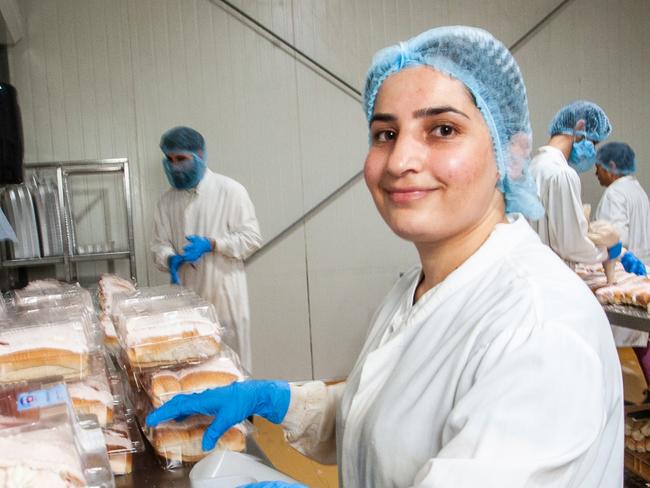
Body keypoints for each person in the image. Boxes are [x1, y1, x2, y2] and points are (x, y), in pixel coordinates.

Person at [147, 27, 623, 487]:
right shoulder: (416, 289)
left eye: (442, 129)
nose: (399, 162)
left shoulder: (541, 328)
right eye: (384, 134)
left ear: (510, 154)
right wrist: (276, 401)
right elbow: (384, 415)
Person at [151, 126, 262, 372]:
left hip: (224, 299)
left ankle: (242, 413)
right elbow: (159, 244)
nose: (174, 166)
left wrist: (213, 244)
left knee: (233, 370)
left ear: (200, 155)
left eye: (181, 159)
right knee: (194, 372)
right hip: (186, 301)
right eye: (169, 160)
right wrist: (170, 259)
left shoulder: (230, 191)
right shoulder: (166, 201)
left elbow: (252, 238)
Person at [529, 101, 645, 275]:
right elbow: (570, 245)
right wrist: (609, 250)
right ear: (579, 128)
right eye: (593, 142)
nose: (592, 151)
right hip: (555, 276)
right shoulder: (562, 174)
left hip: (538, 272)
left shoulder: (534, 166)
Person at [595, 142, 650, 267]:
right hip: (644, 266)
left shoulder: (614, 193)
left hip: (624, 268)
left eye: (598, 168)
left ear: (611, 167)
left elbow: (615, 239)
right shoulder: (638, 189)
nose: (596, 174)